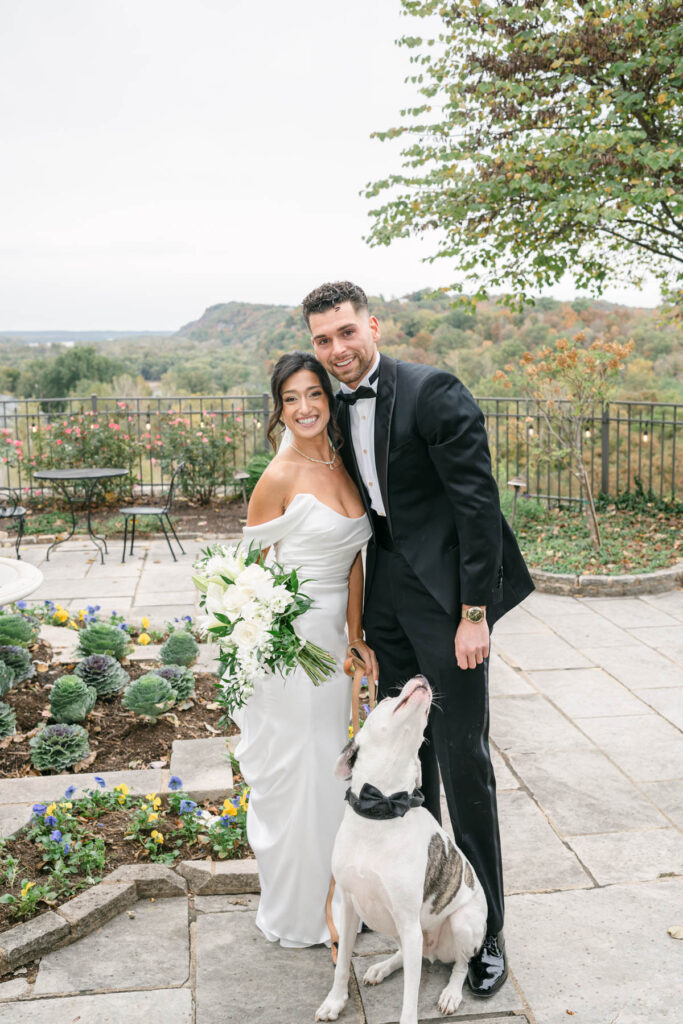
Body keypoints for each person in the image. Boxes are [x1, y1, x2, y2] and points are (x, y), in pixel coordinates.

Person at [304, 280, 534, 997]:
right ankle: (421, 897)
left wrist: (474, 613)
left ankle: (485, 926)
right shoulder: (331, 405)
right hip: (389, 596)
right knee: (410, 754)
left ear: (372, 324)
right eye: (322, 339)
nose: (337, 350)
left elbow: (476, 507)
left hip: (449, 597)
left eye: (346, 332)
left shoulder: (434, 393)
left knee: (463, 758)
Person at [232, 351, 377, 948]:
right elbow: (247, 579)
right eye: (290, 399)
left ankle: (341, 897)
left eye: (313, 394)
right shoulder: (279, 475)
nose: (304, 408)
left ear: (328, 398)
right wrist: (277, 637)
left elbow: (353, 565)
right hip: (292, 653)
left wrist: (356, 635)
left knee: (336, 770)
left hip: (334, 649)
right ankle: (303, 911)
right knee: (307, 772)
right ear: (279, 409)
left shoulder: (346, 464)